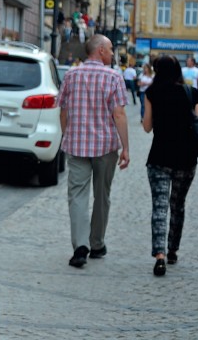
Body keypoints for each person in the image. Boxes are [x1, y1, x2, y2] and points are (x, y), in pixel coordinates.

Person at [57, 34, 130, 268]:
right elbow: (118, 114)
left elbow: (63, 111)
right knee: (102, 195)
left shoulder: (71, 74)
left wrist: (66, 134)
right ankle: (96, 243)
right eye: (109, 49)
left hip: (77, 145)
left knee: (77, 195)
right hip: (105, 147)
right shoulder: (113, 77)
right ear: (99, 50)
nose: (112, 53)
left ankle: (80, 246)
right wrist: (125, 146)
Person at [142, 55, 198, 276]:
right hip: (186, 159)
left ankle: (160, 255)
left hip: (159, 157)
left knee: (159, 207)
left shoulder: (152, 93)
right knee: (178, 205)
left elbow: (147, 127)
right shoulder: (192, 93)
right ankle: (173, 249)